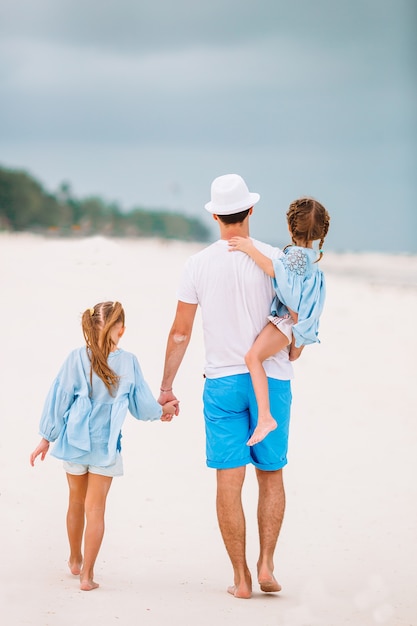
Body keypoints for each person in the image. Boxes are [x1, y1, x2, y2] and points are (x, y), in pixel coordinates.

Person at [158, 174, 297, 599]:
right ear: (251, 210)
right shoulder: (276, 258)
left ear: (216, 215)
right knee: (270, 474)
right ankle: (267, 563)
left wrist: (166, 386)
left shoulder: (197, 264)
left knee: (228, 480)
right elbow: (296, 316)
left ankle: (240, 578)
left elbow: (181, 332)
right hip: (270, 380)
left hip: (221, 383)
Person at [30, 301, 177, 591]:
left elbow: (59, 398)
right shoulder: (128, 361)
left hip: (73, 441)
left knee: (75, 501)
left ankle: (74, 559)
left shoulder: (75, 357)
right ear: (121, 330)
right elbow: (142, 405)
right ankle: (87, 576)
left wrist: (47, 437)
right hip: (106, 446)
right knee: (95, 509)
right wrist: (165, 410)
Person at [229, 197, 330, 445]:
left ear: (289, 227)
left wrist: (250, 248)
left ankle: (265, 417)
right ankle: (265, 415)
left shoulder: (294, 257)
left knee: (253, 358)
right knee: (288, 356)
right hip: (292, 324)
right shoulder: (310, 258)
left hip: (285, 321)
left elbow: (277, 273)